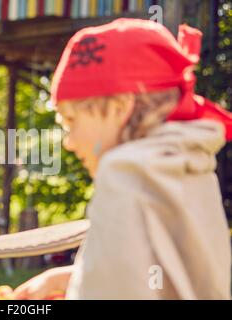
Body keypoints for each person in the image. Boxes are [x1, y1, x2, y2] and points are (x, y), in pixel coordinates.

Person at [13, 18, 232, 300]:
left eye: (71, 120)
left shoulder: (125, 173)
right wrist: (69, 280)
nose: (69, 142)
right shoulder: (187, 163)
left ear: (119, 108)